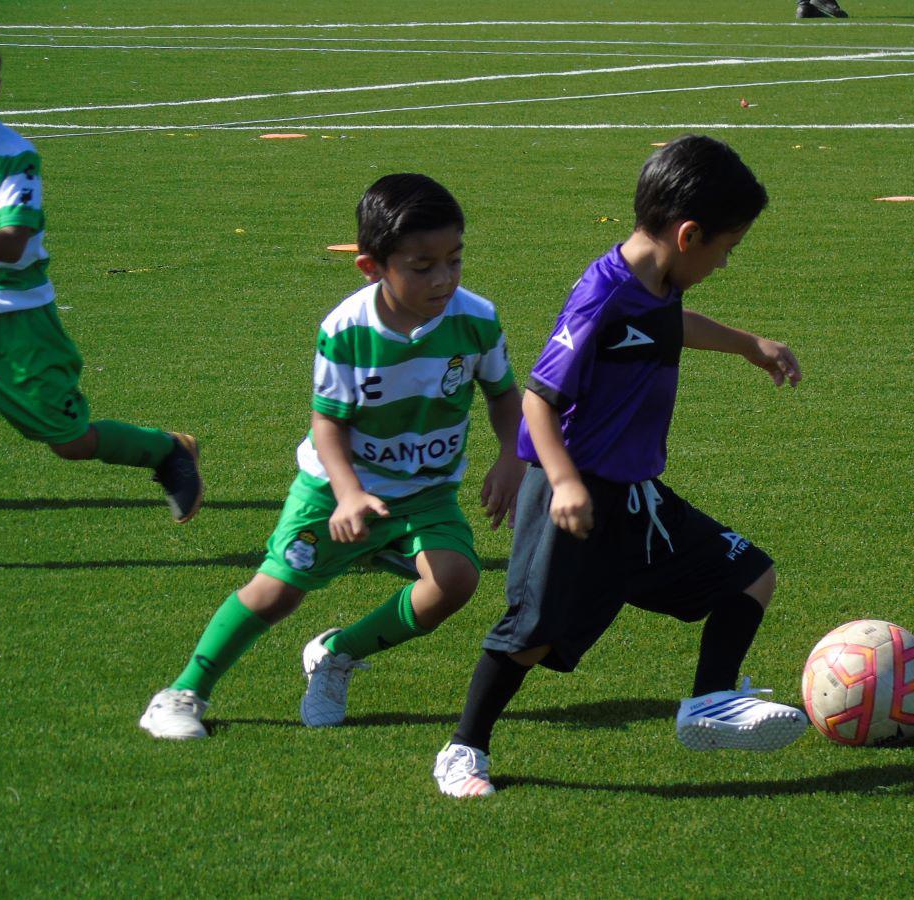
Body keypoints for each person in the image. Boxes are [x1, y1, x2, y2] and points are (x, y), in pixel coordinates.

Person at [433, 135, 808, 798]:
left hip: (636, 496)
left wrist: (748, 344)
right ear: (688, 235)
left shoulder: (656, 281)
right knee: (532, 634)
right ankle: (464, 748)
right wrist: (567, 482)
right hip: (569, 495)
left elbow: (672, 324)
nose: (726, 264)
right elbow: (538, 403)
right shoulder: (602, 297)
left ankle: (711, 703)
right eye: (726, 249)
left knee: (750, 576)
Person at [140, 173, 524, 739]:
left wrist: (511, 458)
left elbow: (504, 398)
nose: (443, 279)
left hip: (424, 490)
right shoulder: (346, 330)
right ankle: (182, 692)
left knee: (455, 581)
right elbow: (328, 424)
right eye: (422, 266)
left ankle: (337, 652)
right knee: (276, 593)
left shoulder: (476, 319)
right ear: (372, 267)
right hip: (334, 486)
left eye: (454, 260)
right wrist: (347, 492)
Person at [0, 19, 203, 521]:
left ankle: (166, 450)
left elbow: (13, 244)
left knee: (70, 441)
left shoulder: (13, 158)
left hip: (13, 321)